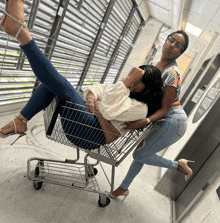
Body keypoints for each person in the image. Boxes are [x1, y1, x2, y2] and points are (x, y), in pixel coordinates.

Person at [0, 0, 164, 150]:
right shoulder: (128, 91)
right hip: (88, 122)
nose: (133, 83)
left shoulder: (142, 109)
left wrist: (124, 84)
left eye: (139, 81)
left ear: (148, 88)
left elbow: (106, 109)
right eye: (134, 79)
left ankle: (21, 32)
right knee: (51, 84)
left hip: (91, 136)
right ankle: (20, 122)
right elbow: (96, 89)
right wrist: (94, 101)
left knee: (61, 85)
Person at [111, 30, 194, 202]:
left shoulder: (172, 74)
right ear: (165, 41)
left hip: (173, 121)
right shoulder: (156, 65)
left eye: (178, 45)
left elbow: (164, 108)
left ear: (180, 52)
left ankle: (179, 166)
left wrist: (145, 120)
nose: (172, 45)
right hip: (160, 118)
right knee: (141, 152)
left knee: (139, 155)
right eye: (171, 40)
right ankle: (123, 188)